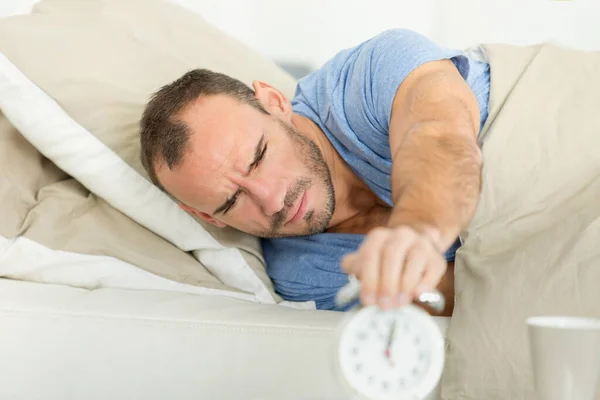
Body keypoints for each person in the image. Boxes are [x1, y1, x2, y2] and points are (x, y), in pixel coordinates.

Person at [139, 29, 490, 315]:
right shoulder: (304, 276)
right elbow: (488, 294)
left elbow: (440, 136)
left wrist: (419, 230)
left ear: (274, 103)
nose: (273, 201)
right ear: (206, 217)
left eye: (259, 156)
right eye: (231, 201)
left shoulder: (369, 75)